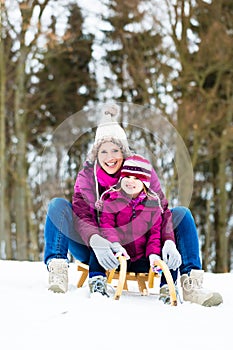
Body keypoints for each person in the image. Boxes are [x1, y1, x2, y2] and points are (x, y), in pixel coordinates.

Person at [44, 103, 223, 306]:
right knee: (57, 206)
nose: (110, 157)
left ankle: (192, 284)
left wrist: (169, 241)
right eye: (103, 152)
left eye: (115, 150)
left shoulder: (141, 172)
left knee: (181, 213)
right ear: (96, 154)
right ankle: (58, 270)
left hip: (143, 250)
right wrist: (95, 239)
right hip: (96, 249)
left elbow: (161, 211)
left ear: (124, 151)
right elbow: (82, 214)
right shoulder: (87, 176)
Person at [88, 154, 178, 300]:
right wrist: (115, 245)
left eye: (137, 178)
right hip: (116, 257)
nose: (131, 181)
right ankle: (97, 280)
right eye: (127, 176)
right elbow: (107, 226)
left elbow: (154, 234)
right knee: (99, 245)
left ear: (145, 183)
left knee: (168, 255)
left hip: (141, 258)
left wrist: (153, 255)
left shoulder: (152, 205)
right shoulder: (112, 200)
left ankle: (167, 287)